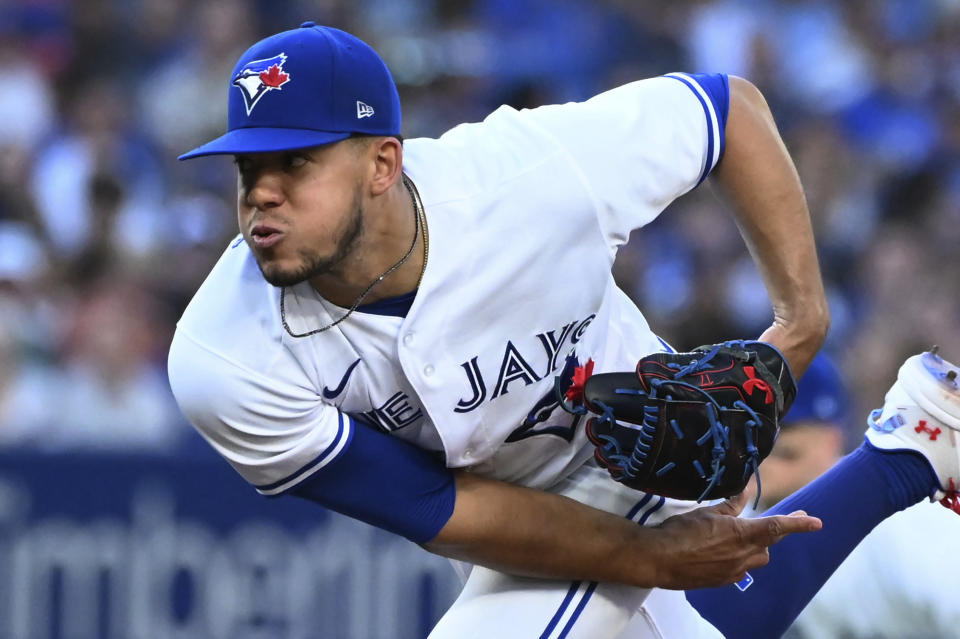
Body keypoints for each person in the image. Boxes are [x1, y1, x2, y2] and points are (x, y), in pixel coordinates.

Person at [167, 22, 960, 638]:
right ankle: (912, 446)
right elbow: (436, 505)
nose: (261, 193)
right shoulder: (223, 356)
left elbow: (729, 110)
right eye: (247, 167)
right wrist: (652, 561)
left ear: (382, 164)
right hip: (496, 504)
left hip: (646, 441)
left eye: (296, 162)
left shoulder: (526, 176)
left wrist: (801, 324)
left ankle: (908, 448)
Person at [735, 353, 960, 639]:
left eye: (782, 429)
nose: (758, 444)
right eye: (747, 425)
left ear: (831, 438)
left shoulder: (905, 521)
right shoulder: (723, 522)